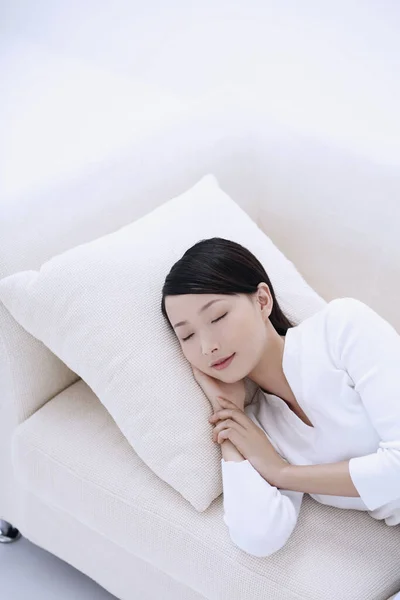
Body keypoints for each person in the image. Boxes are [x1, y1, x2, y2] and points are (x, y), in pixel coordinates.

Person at [161, 236, 400, 557]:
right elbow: (257, 536)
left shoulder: (341, 327)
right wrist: (227, 412)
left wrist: (283, 473)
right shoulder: (259, 429)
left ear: (262, 301)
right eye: (187, 335)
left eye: (217, 317)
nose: (207, 347)